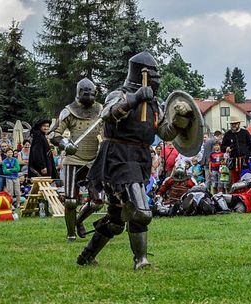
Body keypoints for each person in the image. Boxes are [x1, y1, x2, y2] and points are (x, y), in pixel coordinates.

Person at [77, 51, 203, 270]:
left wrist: (182, 119)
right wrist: (135, 98)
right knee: (142, 212)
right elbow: (107, 114)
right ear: (142, 74)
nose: (157, 80)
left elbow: (164, 132)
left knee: (116, 221)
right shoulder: (118, 94)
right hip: (119, 157)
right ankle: (141, 260)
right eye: (154, 75)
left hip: (140, 157)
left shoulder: (154, 104)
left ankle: (86, 256)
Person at [51, 78, 104, 241]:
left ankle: (79, 220)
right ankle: (70, 234)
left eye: (91, 92)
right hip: (73, 159)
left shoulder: (101, 110)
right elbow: (54, 134)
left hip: (94, 161)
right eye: (85, 92)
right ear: (79, 93)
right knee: (71, 201)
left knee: (98, 201)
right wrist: (65, 144)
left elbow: (107, 130)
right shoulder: (69, 111)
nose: (89, 95)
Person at [221, 116, 251, 184]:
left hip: (245, 160)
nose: (234, 125)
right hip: (234, 161)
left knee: (246, 178)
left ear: (239, 124)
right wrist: (227, 148)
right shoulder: (227, 134)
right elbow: (222, 147)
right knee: (235, 180)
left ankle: (246, 194)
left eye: (235, 123)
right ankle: (237, 194)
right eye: (232, 124)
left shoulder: (245, 133)